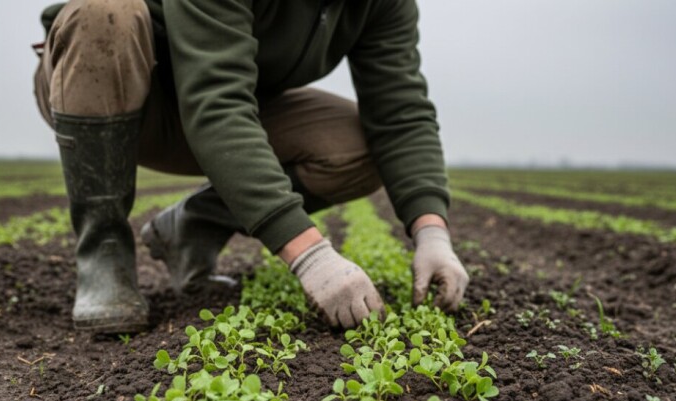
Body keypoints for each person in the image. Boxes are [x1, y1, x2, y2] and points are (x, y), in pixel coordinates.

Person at [33, 0, 470, 334]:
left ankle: (192, 226)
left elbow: (400, 112)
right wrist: (312, 258)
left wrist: (432, 233)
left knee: (356, 146)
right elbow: (217, 102)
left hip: (232, 100)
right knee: (100, 13)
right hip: (116, 88)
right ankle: (103, 251)